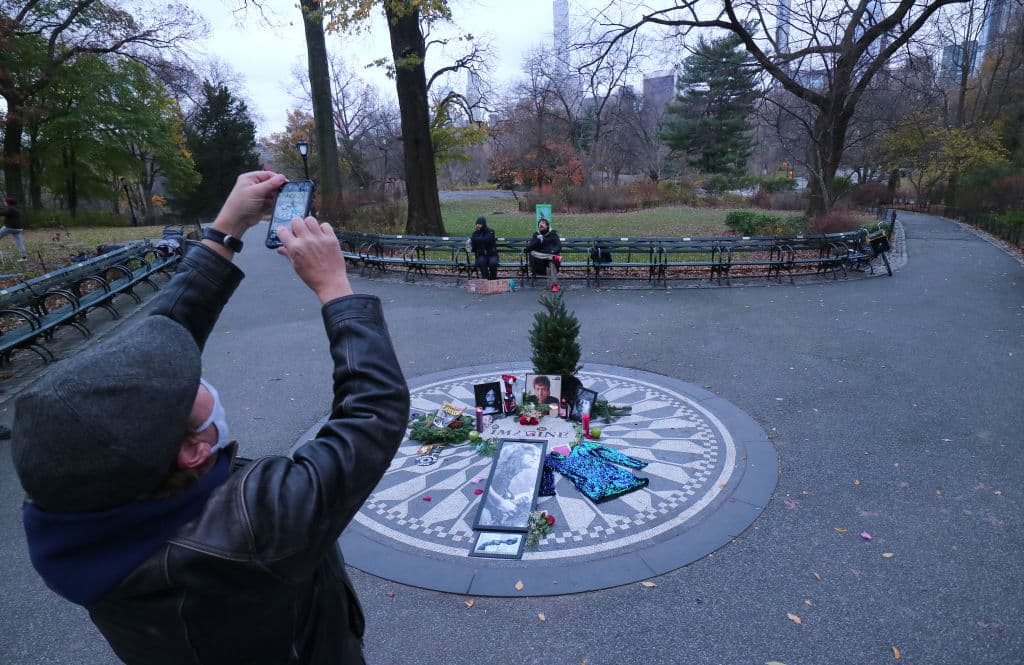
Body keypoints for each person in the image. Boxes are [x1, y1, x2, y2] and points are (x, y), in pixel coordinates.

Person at [10, 171, 410, 665]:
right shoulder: (253, 529)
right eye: (188, 387)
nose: (193, 376)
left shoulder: (72, 501)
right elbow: (372, 414)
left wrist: (226, 230)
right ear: (194, 447)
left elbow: (152, 349)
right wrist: (335, 289)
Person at [525, 217, 561, 291]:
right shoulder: (536, 235)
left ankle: (554, 285)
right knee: (532, 252)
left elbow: (559, 246)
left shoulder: (553, 234)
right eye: (540, 224)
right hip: (538, 261)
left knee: (552, 263)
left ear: (547, 226)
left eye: (543, 223)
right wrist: (538, 240)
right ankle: (551, 257)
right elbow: (528, 248)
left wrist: (552, 252)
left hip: (549, 261)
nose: (541, 225)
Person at [469, 215, 499, 279]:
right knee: (481, 262)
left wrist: (475, 239)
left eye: (479, 224)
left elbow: (488, 239)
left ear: (483, 224)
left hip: (492, 254)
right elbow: (473, 247)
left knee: (493, 263)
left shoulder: (491, 231)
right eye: (477, 224)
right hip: (481, 254)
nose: (477, 226)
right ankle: (486, 279)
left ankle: (492, 279)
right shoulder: (475, 233)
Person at [0, 196, 28, 262]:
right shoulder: (16, 208)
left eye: (5, 202)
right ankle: (24, 257)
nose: (4, 203)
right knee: (20, 243)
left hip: (10, 227)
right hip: (18, 228)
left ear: (8, 203)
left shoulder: (10, 209)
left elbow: (2, 213)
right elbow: (5, 210)